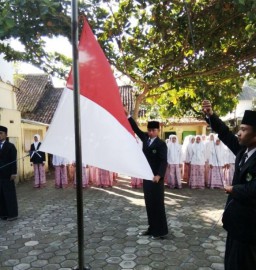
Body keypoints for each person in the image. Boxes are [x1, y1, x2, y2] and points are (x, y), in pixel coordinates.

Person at [202, 100, 256, 270]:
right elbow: (225, 133)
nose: (239, 133)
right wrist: (211, 115)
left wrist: (234, 189)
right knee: (231, 262)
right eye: (240, 129)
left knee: (245, 263)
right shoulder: (243, 151)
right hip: (235, 222)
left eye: (244, 129)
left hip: (250, 227)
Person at [125, 107, 168, 240]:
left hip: (156, 179)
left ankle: (160, 231)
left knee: (157, 204)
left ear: (158, 131)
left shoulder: (161, 144)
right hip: (147, 177)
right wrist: (128, 117)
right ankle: (151, 228)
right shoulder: (146, 139)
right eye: (149, 130)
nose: (150, 132)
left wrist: (159, 175)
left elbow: (164, 161)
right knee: (149, 204)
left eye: (153, 130)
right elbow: (136, 129)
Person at [0, 125, 18, 221]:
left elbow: (14, 161)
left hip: (8, 175)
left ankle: (12, 214)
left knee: (9, 195)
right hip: (0, 175)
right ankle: (3, 214)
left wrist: (14, 173)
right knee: (1, 195)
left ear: (6, 135)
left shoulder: (10, 146)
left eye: (1, 133)